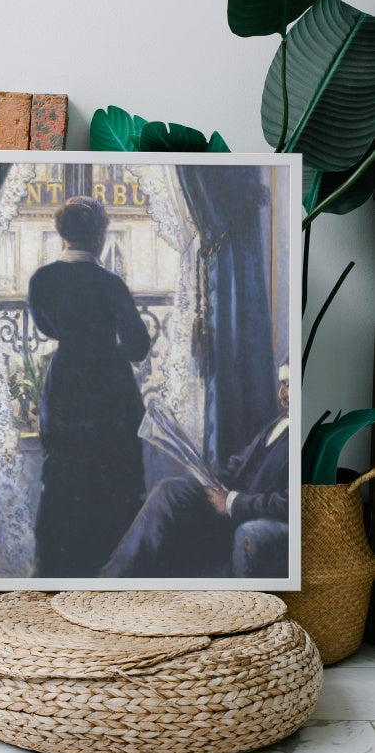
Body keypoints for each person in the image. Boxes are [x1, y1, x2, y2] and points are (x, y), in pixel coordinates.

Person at [28, 196, 151, 577]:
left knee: (64, 473)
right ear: (100, 235)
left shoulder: (42, 280)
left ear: (62, 234)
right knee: (115, 476)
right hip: (111, 389)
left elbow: (46, 328)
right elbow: (138, 346)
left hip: (65, 385)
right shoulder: (111, 283)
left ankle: (61, 569)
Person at [100, 359, 291, 579]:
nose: (281, 393)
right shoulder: (278, 423)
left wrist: (230, 502)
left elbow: (288, 501)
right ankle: (115, 576)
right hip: (226, 495)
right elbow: (239, 464)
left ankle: (112, 579)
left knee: (168, 497)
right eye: (281, 384)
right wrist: (204, 476)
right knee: (169, 490)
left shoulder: (304, 438)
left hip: (240, 511)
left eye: (287, 384)